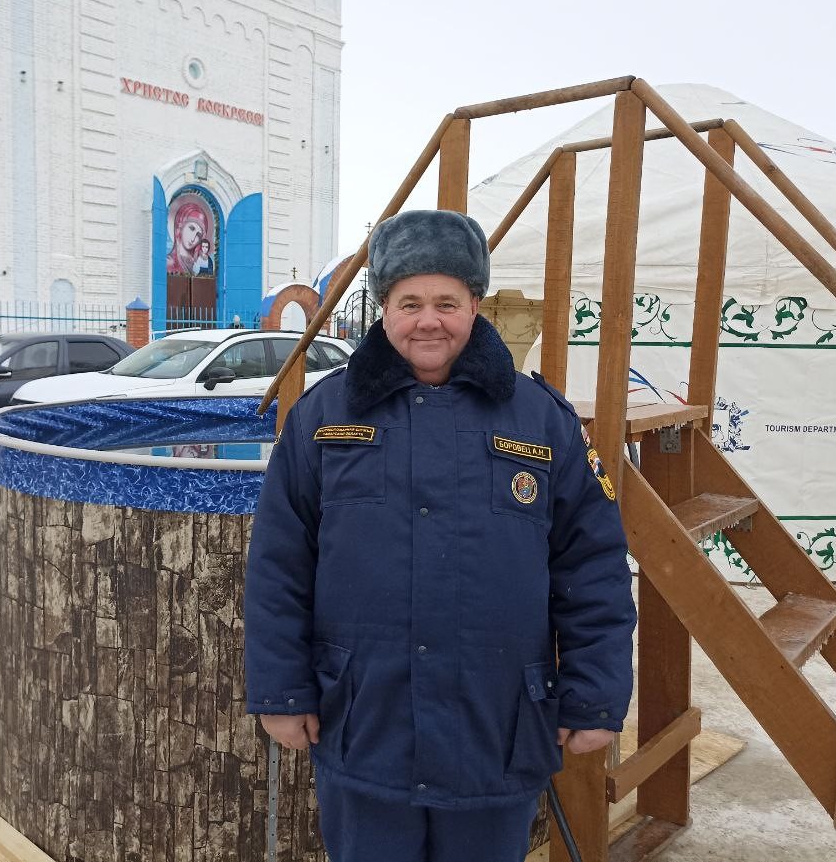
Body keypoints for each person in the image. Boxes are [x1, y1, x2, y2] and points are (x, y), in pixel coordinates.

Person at [243, 209, 636, 862]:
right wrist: (282, 691)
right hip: (364, 723)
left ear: (475, 304)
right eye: (411, 302)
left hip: (495, 729)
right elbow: (280, 565)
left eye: (447, 302)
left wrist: (595, 694)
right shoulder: (322, 415)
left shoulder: (542, 419)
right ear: (385, 308)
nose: (429, 320)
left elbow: (591, 563)